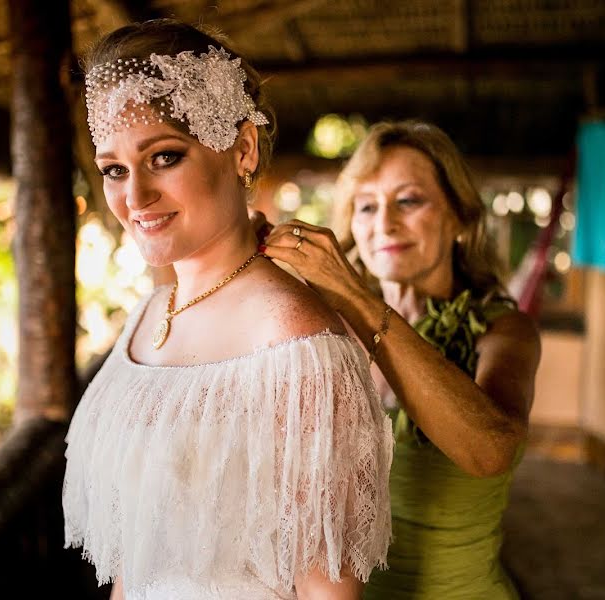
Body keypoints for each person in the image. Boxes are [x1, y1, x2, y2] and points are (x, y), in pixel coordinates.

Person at [62, 20, 393, 600]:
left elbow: (327, 589)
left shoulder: (296, 341)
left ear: (241, 149)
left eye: (163, 157)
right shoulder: (144, 318)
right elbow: (130, 564)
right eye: (114, 168)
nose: (134, 198)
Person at [262, 121, 541, 599]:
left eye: (408, 201)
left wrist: (351, 292)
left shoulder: (501, 330)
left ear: (458, 217)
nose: (384, 224)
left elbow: (492, 451)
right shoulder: (327, 333)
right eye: (367, 206)